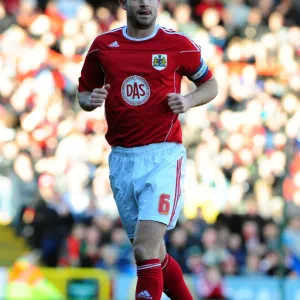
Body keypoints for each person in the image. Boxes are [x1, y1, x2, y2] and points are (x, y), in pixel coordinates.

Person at [77, 0, 218, 299]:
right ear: (123, 2)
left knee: (143, 249)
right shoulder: (104, 45)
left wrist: (189, 101)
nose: (145, 3)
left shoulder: (178, 44)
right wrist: (90, 100)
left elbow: (210, 84)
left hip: (163, 156)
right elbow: (83, 93)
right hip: (122, 160)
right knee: (154, 255)